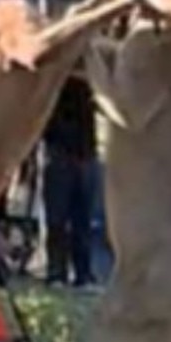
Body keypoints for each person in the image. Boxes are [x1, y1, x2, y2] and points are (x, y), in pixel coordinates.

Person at [41, 67, 99, 288]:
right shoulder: (55, 79)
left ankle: (83, 273)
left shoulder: (92, 80)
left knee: (82, 219)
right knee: (57, 218)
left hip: (84, 152)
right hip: (60, 152)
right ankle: (57, 272)